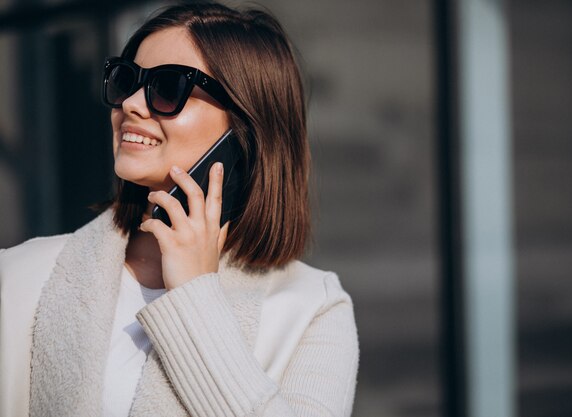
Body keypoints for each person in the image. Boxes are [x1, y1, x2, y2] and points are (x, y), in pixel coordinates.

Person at [0, 2, 359, 417]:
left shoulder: (314, 308)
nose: (131, 104)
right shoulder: (19, 277)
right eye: (125, 80)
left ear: (246, 128)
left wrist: (194, 296)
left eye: (168, 88)